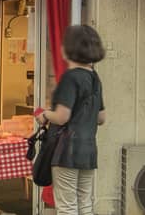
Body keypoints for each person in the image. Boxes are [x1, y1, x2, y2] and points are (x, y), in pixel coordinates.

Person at [35, 24, 107, 215]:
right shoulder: (94, 78)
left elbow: (61, 117)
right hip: (89, 150)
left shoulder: (70, 78)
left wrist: (44, 115)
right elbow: (101, 117)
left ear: (71, 49)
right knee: (85, 204)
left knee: (67, 206)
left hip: (66, 150)